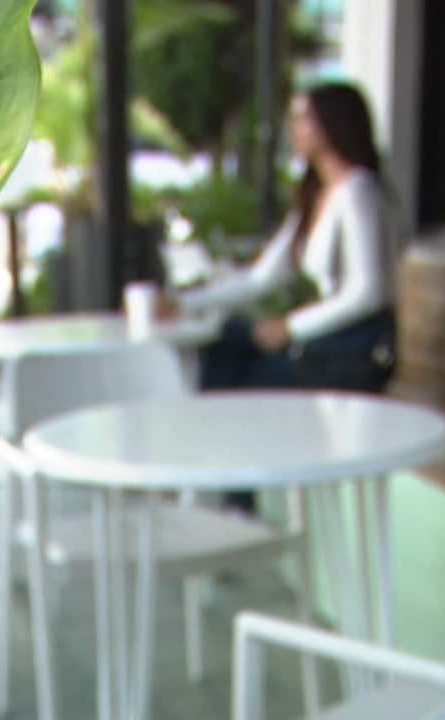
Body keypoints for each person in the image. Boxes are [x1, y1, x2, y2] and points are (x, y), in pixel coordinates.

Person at [161, 82, 398, 512]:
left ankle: (233, 502)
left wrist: (290, 328)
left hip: (354, 348)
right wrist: (184, 304)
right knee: (222, 344)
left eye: (303, 118)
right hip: (320, 341)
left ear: (333, 124)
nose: (294, 129)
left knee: (245, 391)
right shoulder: (314, 196)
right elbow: (261, 278)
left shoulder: (358, 191)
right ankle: (224, 492)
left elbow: (370, 292)